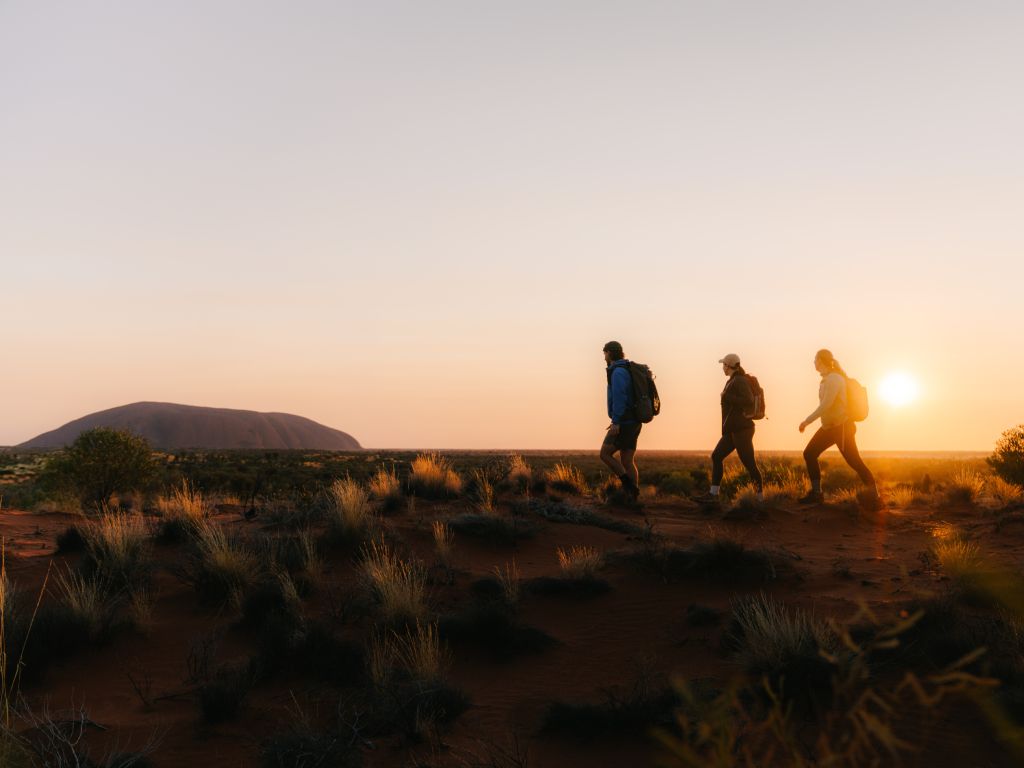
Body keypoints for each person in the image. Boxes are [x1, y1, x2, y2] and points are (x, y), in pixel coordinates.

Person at [798, 348, 881, 508]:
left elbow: (826, 405)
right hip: (829, 428)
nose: (814, 362)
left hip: (842, 428)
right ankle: (817, 494)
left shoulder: (834, 379)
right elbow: (826, 406)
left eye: (815, 359)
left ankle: (875, 498)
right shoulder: (827, 379)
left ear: (821, 361)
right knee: (809, 454)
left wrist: (806, 422)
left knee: (855, 462)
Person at [694, 354, 764, 503]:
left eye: (723, 365)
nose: (722, 368)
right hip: (733, 429)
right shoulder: (733, 380)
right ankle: (713, 495)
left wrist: (727, 396)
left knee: (749, 464)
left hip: (742, 429)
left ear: (728, 366)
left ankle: (760, 500)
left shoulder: (739, 380)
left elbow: (749, 400)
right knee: (716, 456)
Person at [600, 340, 641, 500]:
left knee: (604, 454)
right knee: (627, 460)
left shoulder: (617, 372)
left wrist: (616, 422)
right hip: (634, 421)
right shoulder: (627, 369)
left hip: (624, 422)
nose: (604, 357)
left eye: (604, 353)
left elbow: (620, 398)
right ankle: (632, 497)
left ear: (609, 353)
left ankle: (628, 486)